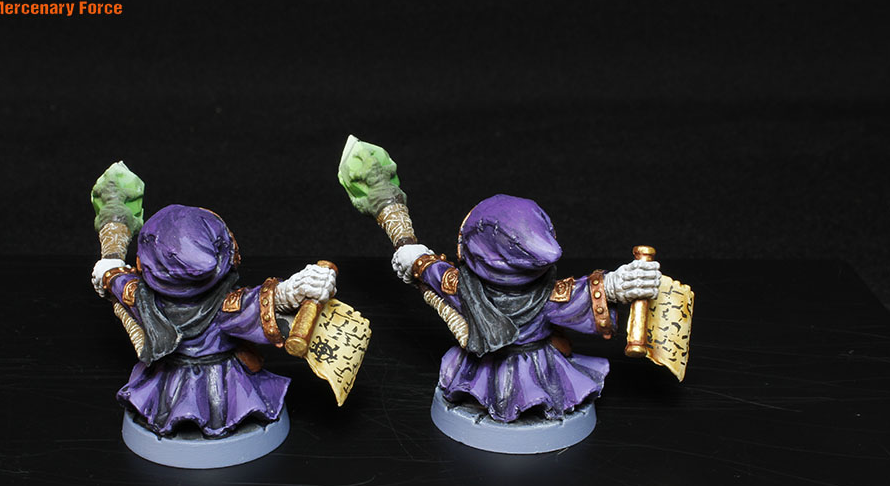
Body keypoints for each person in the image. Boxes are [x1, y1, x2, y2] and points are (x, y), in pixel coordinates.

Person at [391, 194, 660, 422]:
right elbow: (581, 294)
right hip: (492, 362)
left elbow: (436, 274)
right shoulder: (469, 287)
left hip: (533, 364)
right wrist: (416, 261)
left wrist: (416, 261)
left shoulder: (465, 287)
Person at [90, 204, 335, 438]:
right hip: (216, 376)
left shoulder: (142, 298)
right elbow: (257, 303)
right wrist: (290, 291)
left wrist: (108, 271)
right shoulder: (221, 306)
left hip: (193, 375)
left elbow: (121, 283)